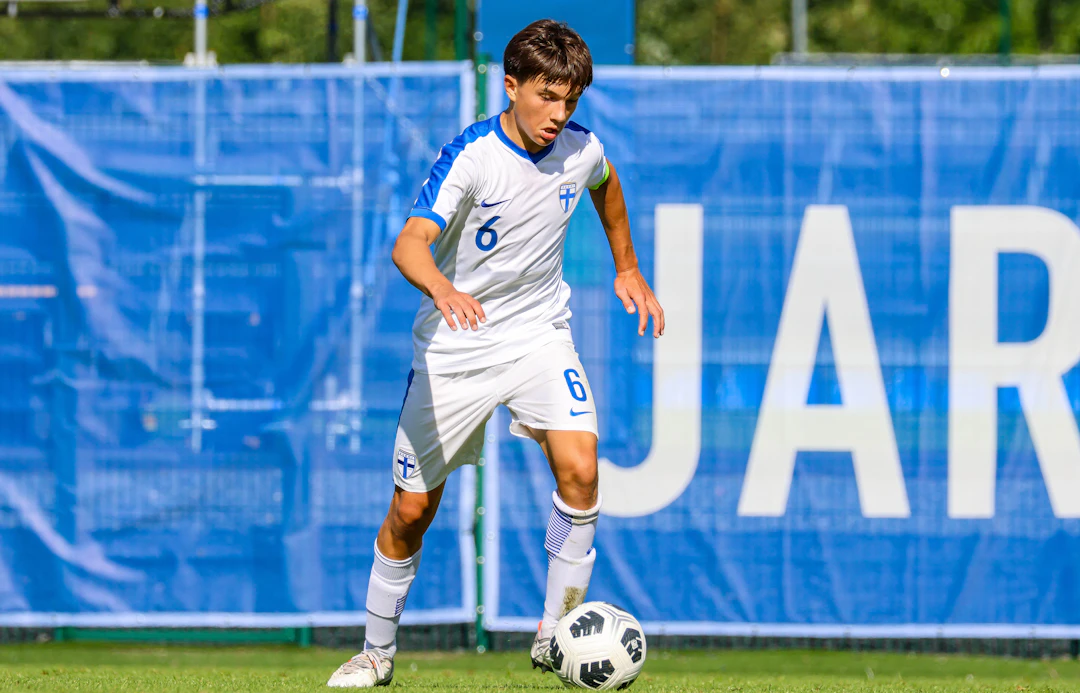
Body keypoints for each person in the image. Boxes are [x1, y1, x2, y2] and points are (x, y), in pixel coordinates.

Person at [327, 18, 664, 688]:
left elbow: (606, 184)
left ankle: (555, 629)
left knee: (581, 465)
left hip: (540, 332)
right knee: (411, 511)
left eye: (570, 100)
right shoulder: (473, 155)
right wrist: (443, 286)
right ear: (512, 86)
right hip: (458, 343)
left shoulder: (582, 148)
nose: (559, 113)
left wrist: (627, 266)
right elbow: (408, 244)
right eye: (547, 96)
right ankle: (375, 651)